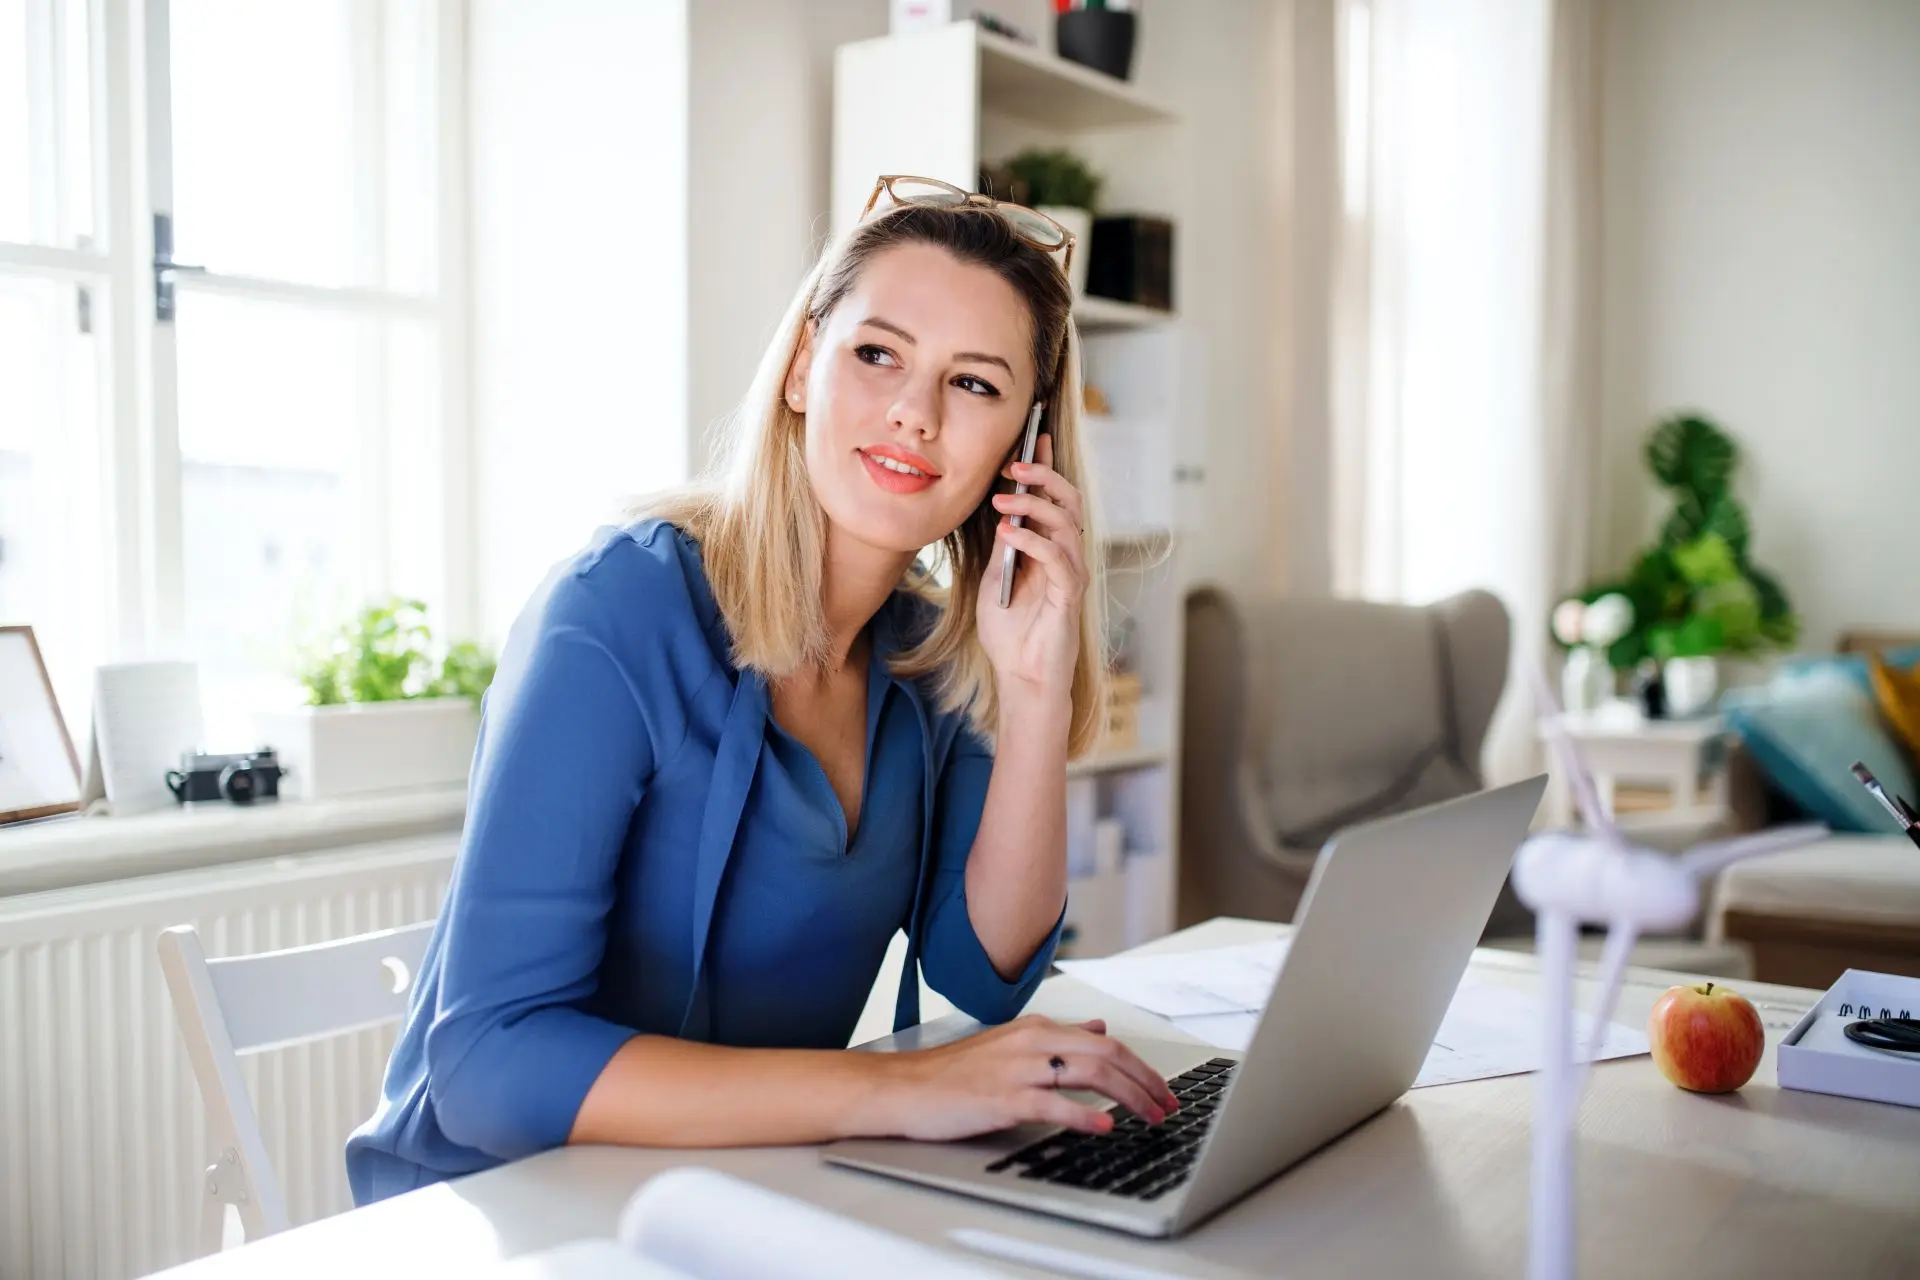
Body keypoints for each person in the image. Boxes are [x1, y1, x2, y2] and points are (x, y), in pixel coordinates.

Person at [345, 176, 1182, 1204]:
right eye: (877, 354)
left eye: (973, 384)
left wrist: (1036, 688)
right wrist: (891, 1087)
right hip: (502, 1209)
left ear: (1023, 446)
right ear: (800, 368)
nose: (913, 414)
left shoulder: (924, 653)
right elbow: (487, 1064)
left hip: (736, 1193)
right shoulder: (616, 611)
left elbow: (984, 968)